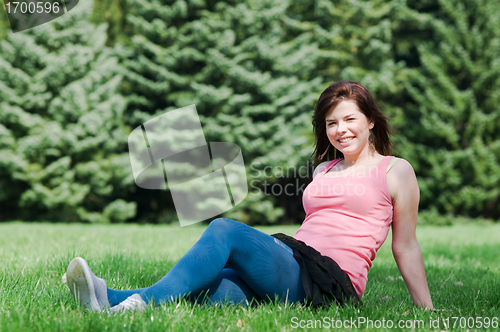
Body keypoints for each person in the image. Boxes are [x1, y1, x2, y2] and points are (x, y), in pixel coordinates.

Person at [66, 80, 433, 312]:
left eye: (349, 119)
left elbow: (406, 246)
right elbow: (318, 226)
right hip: (295, 260)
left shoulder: (395, 170)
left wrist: (426, 310)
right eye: (331, 123)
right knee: (208, 283)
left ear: (370, 120)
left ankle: (134, 304)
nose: (340, 130)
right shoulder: (324, 170)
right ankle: (106, 297)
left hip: (330, 282)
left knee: (225, 229)